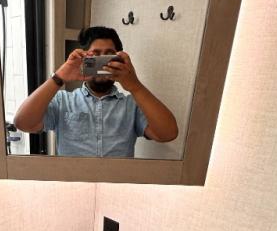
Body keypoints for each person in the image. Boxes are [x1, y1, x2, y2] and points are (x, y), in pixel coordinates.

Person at [13, 26, 178, 157]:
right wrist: (59, 77)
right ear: (84, 60)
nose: (103, 63)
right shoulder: (63, 101)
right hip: (73, 186)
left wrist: (135, 86)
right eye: (96, 56)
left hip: (117, 186)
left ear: (120, 61)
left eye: (109, 56)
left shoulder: (132, 105)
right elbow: (23, 123)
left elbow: (168, 133)